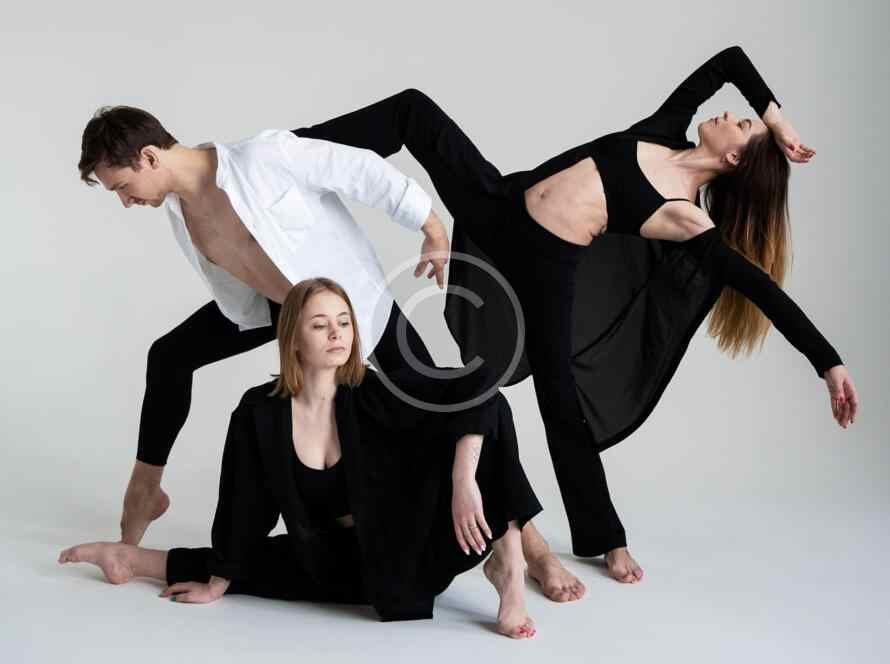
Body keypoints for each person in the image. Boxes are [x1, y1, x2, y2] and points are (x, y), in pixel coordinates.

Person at [285, 45, 861, 585]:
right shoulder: (663, 131)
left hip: (548, 267)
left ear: (733, 157)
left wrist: (827, 362)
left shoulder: (685, 216)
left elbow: (760, 288)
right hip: (500, 206)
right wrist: (777, 120)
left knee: (560, 401)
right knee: (413, 111)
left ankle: (604, 537)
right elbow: (729, 61)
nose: (732, 114)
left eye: (743, 125)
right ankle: (291, 154)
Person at [59, 278, 543, 638]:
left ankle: (509, 573)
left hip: (419, 540)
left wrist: (462, 480)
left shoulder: (376, 392)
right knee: (251, 562)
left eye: (344, 322)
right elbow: (242, 506)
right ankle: (128, 558)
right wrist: (220, 581)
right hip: (342, 560)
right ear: (292, 338)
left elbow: (483, 389)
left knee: (490, 425)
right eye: (320, 324)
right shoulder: (259, 413)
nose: (337, 334)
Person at [77, 108, 453, 547]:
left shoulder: (262, 156)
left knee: (438, 404)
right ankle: (144, 491)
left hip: (349, 306)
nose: (125, 201)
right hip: (274, 311)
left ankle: (514, 535)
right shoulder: (180, 210)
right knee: (169, 356)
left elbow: (360, 169)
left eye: (122, 187)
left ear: (149, 157)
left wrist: (432, 228)